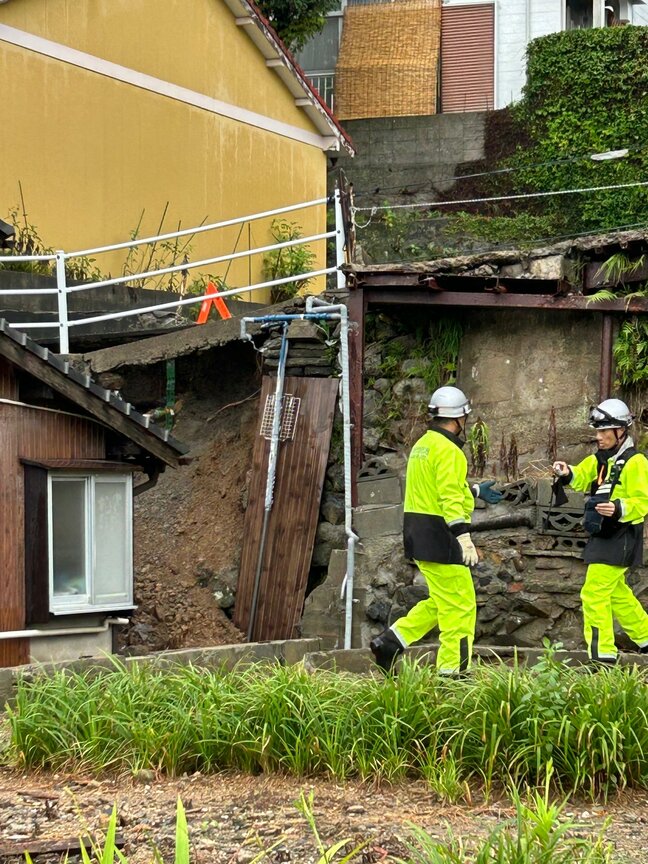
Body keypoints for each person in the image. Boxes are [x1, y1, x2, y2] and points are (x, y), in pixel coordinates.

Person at [369, 385, 502, 675]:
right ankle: (453, 674)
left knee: (443, 600)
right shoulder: (450, 451)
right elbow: (449, 498)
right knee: (461, 606)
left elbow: (437, 488)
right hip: (442, 535)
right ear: (459, 419)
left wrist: (475, 491)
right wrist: (464, 537)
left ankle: (390, 642)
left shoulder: (423, 445)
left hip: (418, 533)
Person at [553, 398, 648, 665]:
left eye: (605, 431)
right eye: (598, 431)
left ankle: (602, 656)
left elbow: (643, 501)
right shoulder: (599, 459)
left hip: (623, 534)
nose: (599, 437)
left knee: (593, 593)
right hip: (603, 533)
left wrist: (618, 507)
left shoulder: (636, 462)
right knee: (617, 593)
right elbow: (581, 476)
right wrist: (566, 472)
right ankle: (646, 638)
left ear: (621, 430)